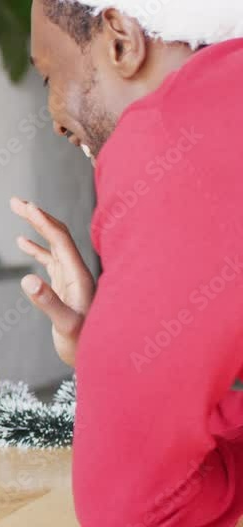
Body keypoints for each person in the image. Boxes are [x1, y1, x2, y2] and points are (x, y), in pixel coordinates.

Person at [16, 1, 243, 525]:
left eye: (50, 72)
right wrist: (111, 351)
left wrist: (114, 362)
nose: (53, 119)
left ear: (120, 40)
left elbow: (131, 511)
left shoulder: (174, 136)